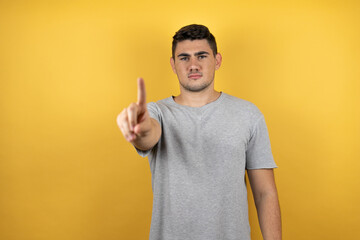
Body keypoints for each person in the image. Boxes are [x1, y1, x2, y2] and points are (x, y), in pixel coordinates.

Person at [117, 24, 281, 240]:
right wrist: (140, 129)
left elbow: (265, 193)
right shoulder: (156, 113)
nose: (193, 65)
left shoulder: (248, 114)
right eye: (184, 58)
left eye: (201, 56)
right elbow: (148, 136)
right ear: (173, 64)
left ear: (218, 60)